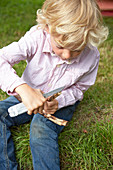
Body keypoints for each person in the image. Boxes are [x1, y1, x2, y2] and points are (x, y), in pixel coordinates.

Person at [0, 0, 108, 169]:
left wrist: (59, 102)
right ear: (48, 28)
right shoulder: (36, 37)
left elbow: (79, 89)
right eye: (60, 46)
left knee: (40, 129)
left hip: (58, 101)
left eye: (77, 49)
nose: (67, 55)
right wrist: (22, 89)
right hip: (28, 96)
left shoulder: (91, 55)